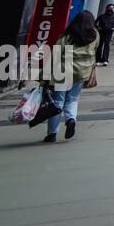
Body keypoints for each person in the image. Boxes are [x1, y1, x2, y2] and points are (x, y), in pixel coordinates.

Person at [42, 11, 99, 143]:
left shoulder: (67, 35)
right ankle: (70, 119)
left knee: (58, 102)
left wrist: (45, 75)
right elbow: (94, 53)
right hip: (81, 72)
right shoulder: (95, 35)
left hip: (63, 70)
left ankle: (52, 133)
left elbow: (56, 55)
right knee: (73, 99)